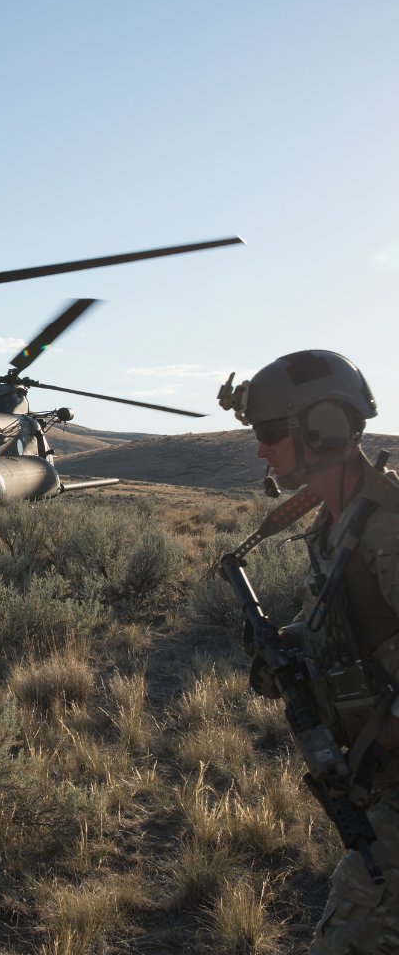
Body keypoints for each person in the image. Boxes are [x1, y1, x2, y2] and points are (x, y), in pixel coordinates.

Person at [220, 350, 399, 953]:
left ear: (322, 427)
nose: (262, 450)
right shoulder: (335, 524)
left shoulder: (385, 528)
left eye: (271, 433)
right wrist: (290, 649)